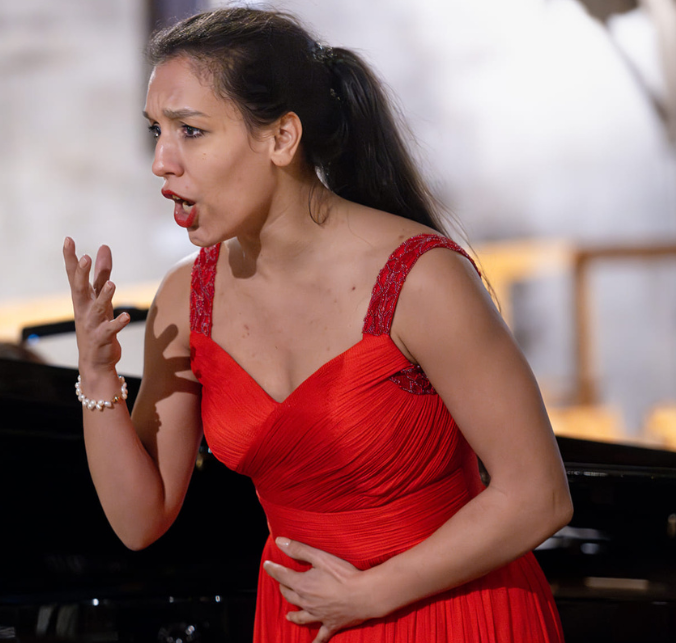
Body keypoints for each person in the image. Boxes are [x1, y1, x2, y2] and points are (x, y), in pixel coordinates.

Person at [61, 7, 572, 643]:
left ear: (281, 138)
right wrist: (97, 374)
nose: (162, 161)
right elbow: (140, 521)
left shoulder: (421, 278)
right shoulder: (184, 300)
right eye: (156, 131)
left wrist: (369, 594)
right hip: (305, 620)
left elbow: (538, 495)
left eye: (190, 131)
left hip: (452, 614)